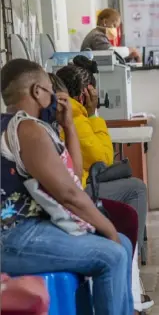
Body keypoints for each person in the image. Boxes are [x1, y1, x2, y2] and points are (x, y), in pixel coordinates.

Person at [1, 58, 133, 314]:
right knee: (113, 254)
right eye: (50, 89)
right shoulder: (27, 129)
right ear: (37, 92)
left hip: (29, 230)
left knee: (123, 245)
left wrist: (68, 126)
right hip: (14, 236)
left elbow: (71, 175)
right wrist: (108, 229)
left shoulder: (20, 125)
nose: (54, 97)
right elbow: (69, 194)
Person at [53, 58, 152, 313]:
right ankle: (131, 272)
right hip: (83, 191)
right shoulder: (76, 115)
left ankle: (130, 272)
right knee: (136, 189)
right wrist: (95, 114)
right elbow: (103, 158)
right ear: (85, 93)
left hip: (80, 187)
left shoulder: (72, 114)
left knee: (131, 188)